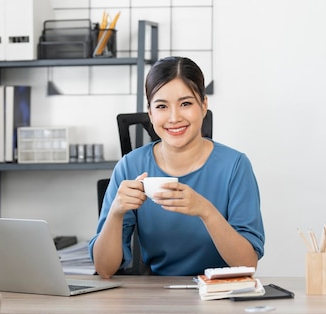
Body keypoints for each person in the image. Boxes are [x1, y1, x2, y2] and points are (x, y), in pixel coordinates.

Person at [89, 56, 265, 278]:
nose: (174, 117)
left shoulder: (236, 166)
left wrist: (206, 211)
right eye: (162, 106)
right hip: (156, 298)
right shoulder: (130, 166)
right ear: (151, 113)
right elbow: (104, 270)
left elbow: (247, 264)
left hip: (220, 294)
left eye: (186, 104)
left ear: (203, 106)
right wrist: (115, 212)